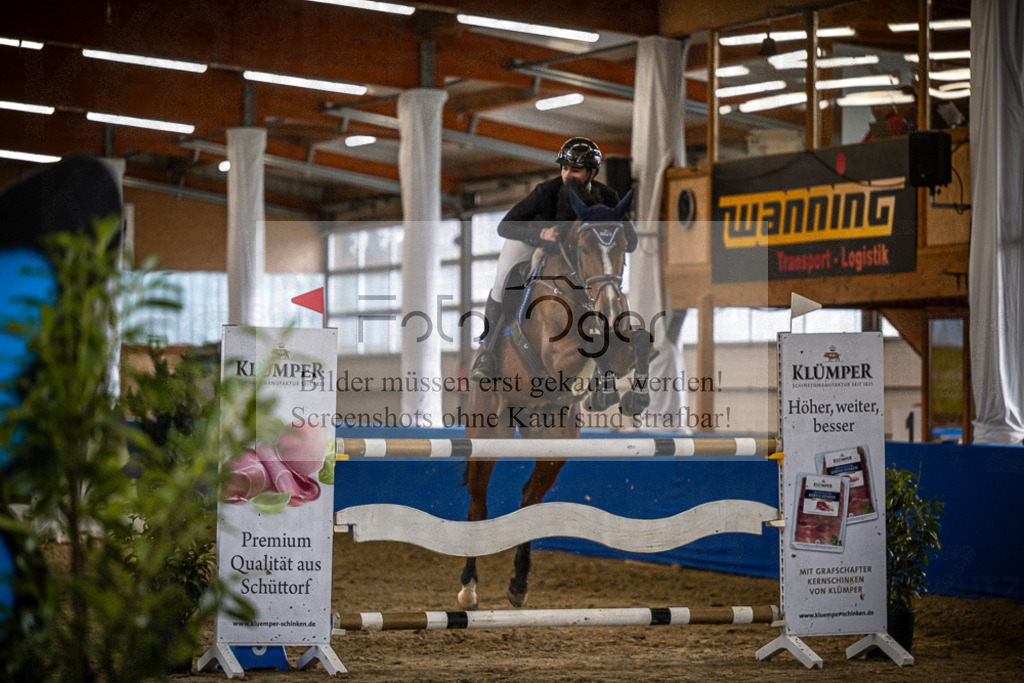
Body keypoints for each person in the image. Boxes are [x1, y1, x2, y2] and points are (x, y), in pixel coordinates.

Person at [469, 137, 635, 381]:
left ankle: (619, 349)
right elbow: (505, 227)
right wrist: (540, 233)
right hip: (529, 241)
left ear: (591, 172)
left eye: (575, 170)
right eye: (564, 168)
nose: (567, 174)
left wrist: (614, 234)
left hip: (576, 255)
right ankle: (487, 353)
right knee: (502, 282)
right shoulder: (546, 191)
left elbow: (631, 242)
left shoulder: (606, 196)